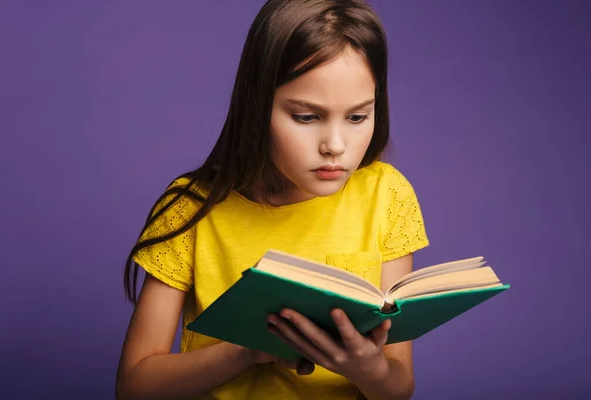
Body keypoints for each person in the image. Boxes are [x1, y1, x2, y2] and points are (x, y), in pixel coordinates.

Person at [115, 0, 429, 399]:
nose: (335, 146)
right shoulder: (191, 209)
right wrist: (246, 352)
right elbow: (134, 387)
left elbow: (399, 388)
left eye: (356, 117)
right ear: (258, 107)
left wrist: (368, 368)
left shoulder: (388, 196)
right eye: (306, 117)